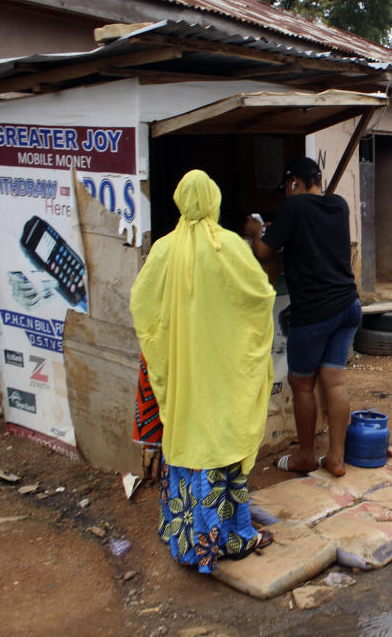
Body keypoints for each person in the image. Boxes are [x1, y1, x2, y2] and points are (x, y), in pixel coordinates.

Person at [130, 170, 277, 572]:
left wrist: (167, 341)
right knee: (220, 442)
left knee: (189, 439)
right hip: (222, 373)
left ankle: (187, 541)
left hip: (184, 375)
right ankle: (231, 537)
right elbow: (261, 298)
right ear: (213, 200)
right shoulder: (229, 247)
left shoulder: (163, 250)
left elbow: (141, 305)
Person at [245, 157, 361, 477]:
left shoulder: (293, 208)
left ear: (295, 181)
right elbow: (312, 239)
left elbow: (264, 252)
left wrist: (257, 231)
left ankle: (306, 457)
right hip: (348, 306)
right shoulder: (338, 205)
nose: (286, 192)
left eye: (287, 186)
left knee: (302, 385)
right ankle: (336, 458)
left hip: (313, 313)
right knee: (334, 381)